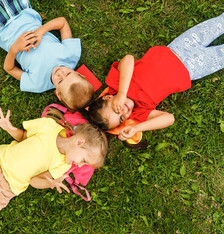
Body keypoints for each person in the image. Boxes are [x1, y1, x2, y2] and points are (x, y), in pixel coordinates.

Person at [88, 13, 224, 141]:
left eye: (116, 109)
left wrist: (122, 93)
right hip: (192, 68)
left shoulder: (116, 84)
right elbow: (169, 118)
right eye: (121, 118)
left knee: (217, 24)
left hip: (177, 47)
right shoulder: (139, 112)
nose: (124, 111)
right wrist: (136, 128)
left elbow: (128, 59)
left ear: (108, 97)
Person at [0, 107, 108, 226]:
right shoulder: (48, 126)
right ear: (79, 142)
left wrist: (50, 183)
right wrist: (9, 128)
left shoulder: (63, 166)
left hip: (6, 188)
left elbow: (34, 181)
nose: (80, 165)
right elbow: (22, 137)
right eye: (84, 160)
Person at [0, 0, 94, 111]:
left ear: (58, 94)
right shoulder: (72, 54)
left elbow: (9, 68)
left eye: (60, 81)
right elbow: (62, 23)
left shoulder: (37, 84)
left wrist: (14, 49)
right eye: (68, 73)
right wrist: (40, 31)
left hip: (1, 28)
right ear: (80, 74)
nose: (60, 72)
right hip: (23, 12)